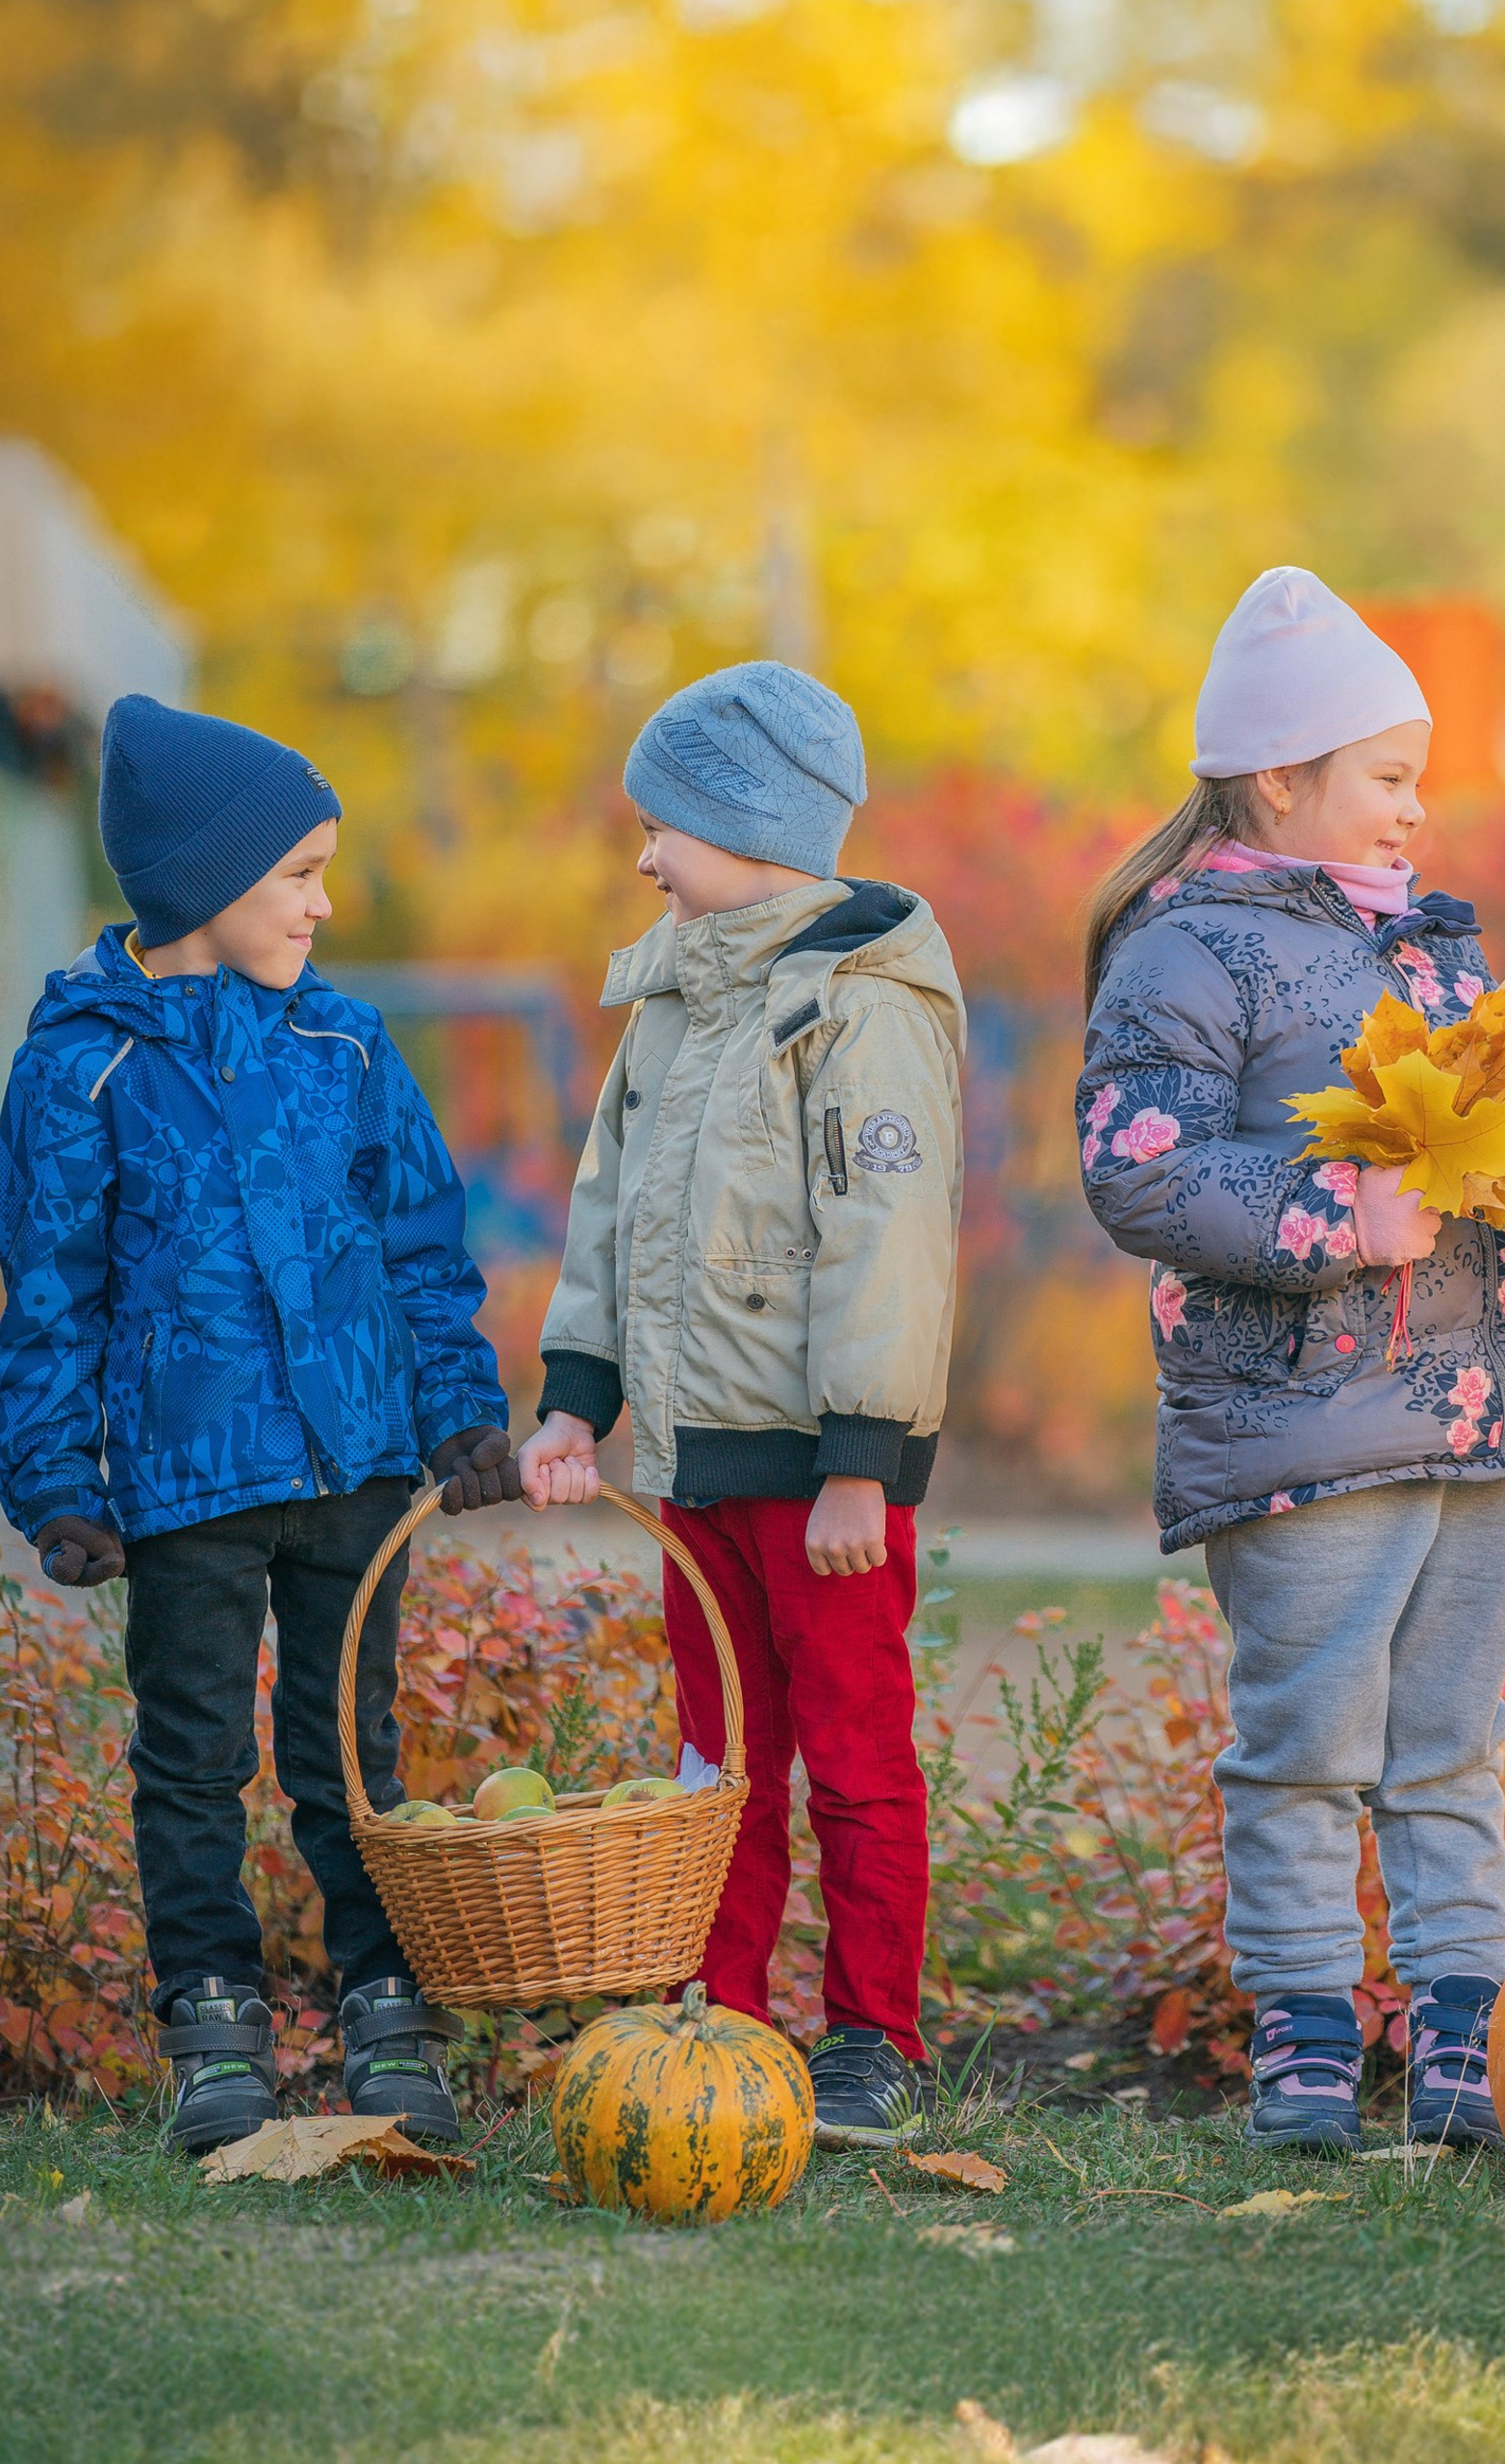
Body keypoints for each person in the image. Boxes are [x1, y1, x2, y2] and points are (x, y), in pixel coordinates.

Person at [1075, 568, 1505, 2152]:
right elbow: (1136, 1164)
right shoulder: (1191, 955)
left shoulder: (1440, 960)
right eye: (1388, 778)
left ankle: (1468, 2034)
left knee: (1453, 1743)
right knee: (1311, 1745)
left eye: (1417, 779)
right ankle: (1311, 2034)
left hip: (1473, 1418)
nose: (1415, 810)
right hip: (1303, 1423)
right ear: (1281, 780)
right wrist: (1342, 1208)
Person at [0, 695, 522, 2155]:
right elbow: (52, 1290)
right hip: (186, 1482)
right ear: (198, 883)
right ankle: (212, 2021)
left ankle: (381, 2006)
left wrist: (462, 1417)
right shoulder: (83, 1066)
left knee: (349, 1757)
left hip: (353, 1466)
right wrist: (56, 1483)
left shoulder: (343, 1048)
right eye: (296, 872)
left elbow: (419, 1248)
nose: (323, 903)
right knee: (192, 1761)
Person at [518, 661, 963, 2151]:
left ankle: (870, 2038)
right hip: (699, 1465)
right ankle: (723, 2015)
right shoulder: (671, 1007)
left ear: (755, 828)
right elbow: (609, 1218)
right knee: (718, 1766)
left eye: (666, 828)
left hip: (823, 1480)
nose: (643, 858)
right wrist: (579, 1400)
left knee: (852, 1753)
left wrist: (861, 1462)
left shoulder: (860, 1003)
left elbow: (886, 1239)